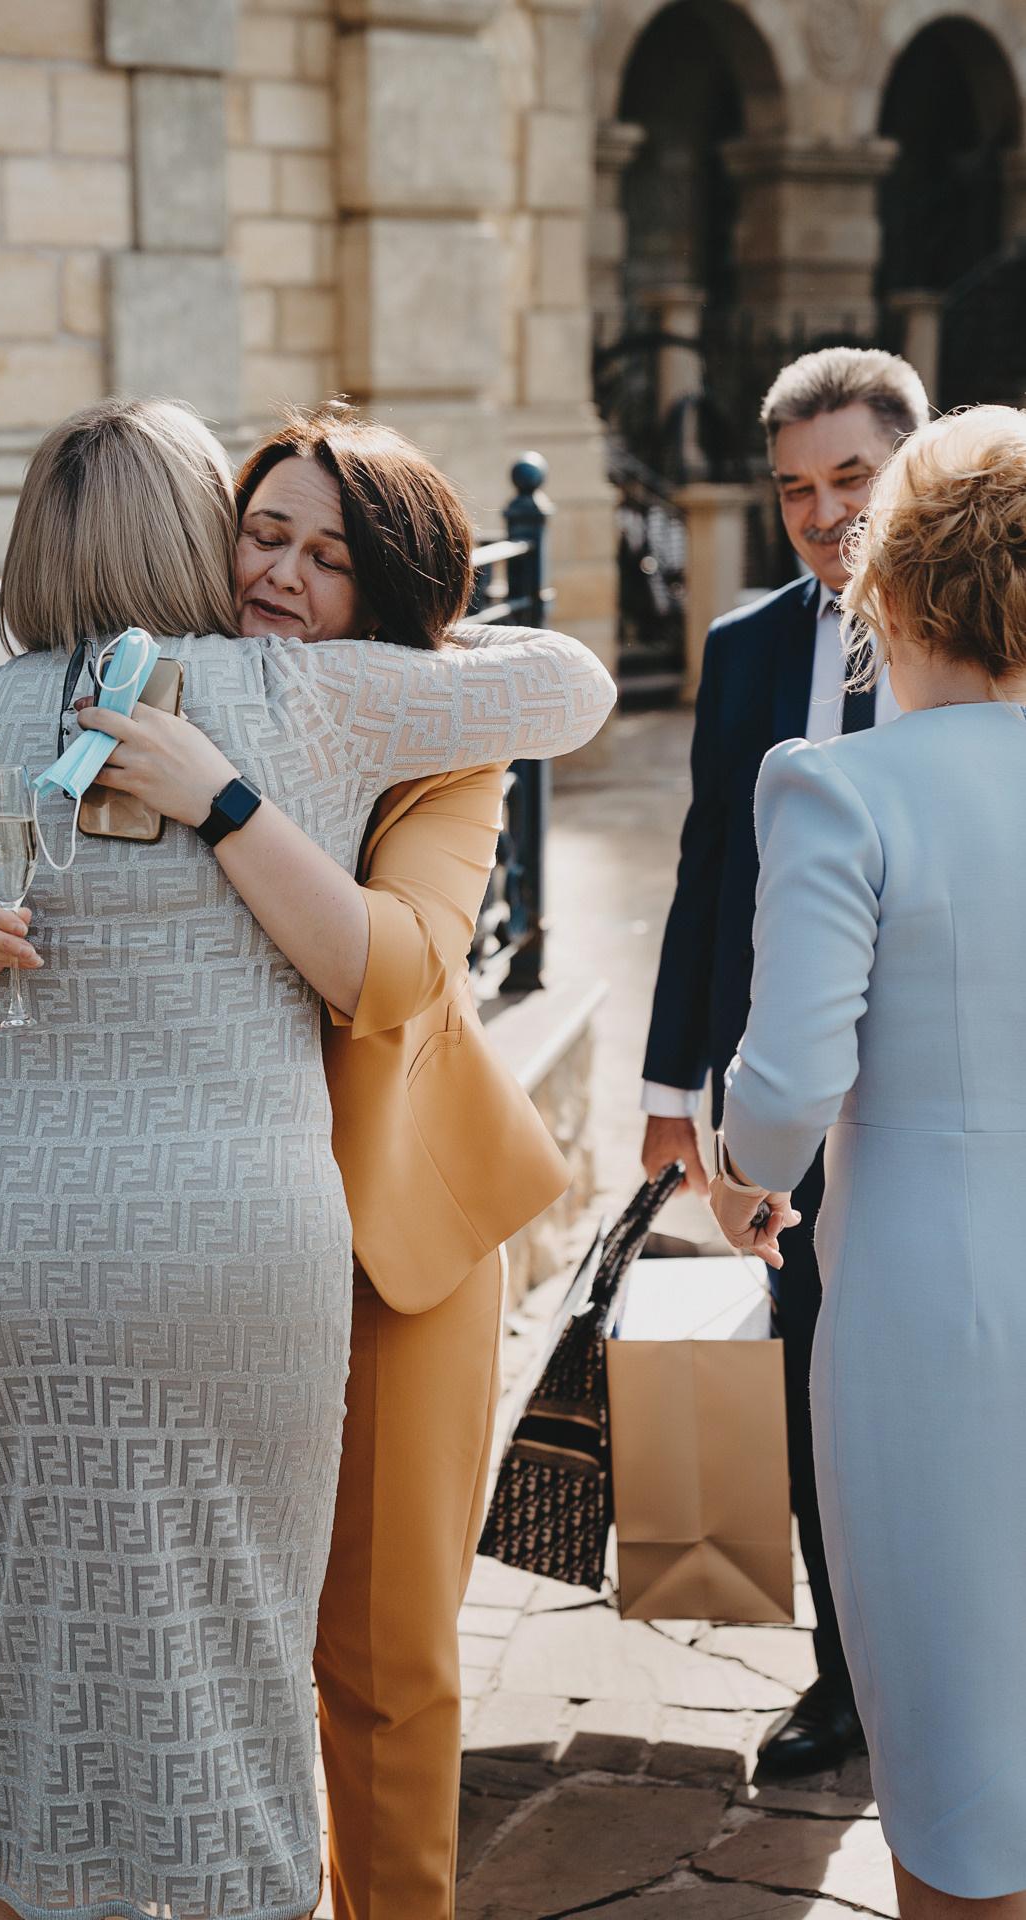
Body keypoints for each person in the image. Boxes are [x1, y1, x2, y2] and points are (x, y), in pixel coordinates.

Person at [0, 398, 614, 1920]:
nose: (280, 572)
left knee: (370, 1651)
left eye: (328, 558)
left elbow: (389, 975)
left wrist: (225, 792)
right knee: (192, 1614)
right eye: (260, 534)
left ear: (387, 596)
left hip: (381, 1218)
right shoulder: (166, 696)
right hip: (213, 1220)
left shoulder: (398, 721)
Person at [710, 404, 1026, 1916]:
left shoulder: (844, 785)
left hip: (926, 1310)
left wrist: (742, 1170)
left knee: (954, 1738)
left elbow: (786, 1087)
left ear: (887, 595)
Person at [639, 347, 929, 1779]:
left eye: (852, 479)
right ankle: (844, 1677)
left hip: (945, 1080)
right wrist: (667, 1095)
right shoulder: (747, 646)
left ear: (912, 471)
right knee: (812, 1378)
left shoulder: (994, 638)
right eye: (795, 489)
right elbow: (710, 870)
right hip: (785, 1091)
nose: (823, 516)